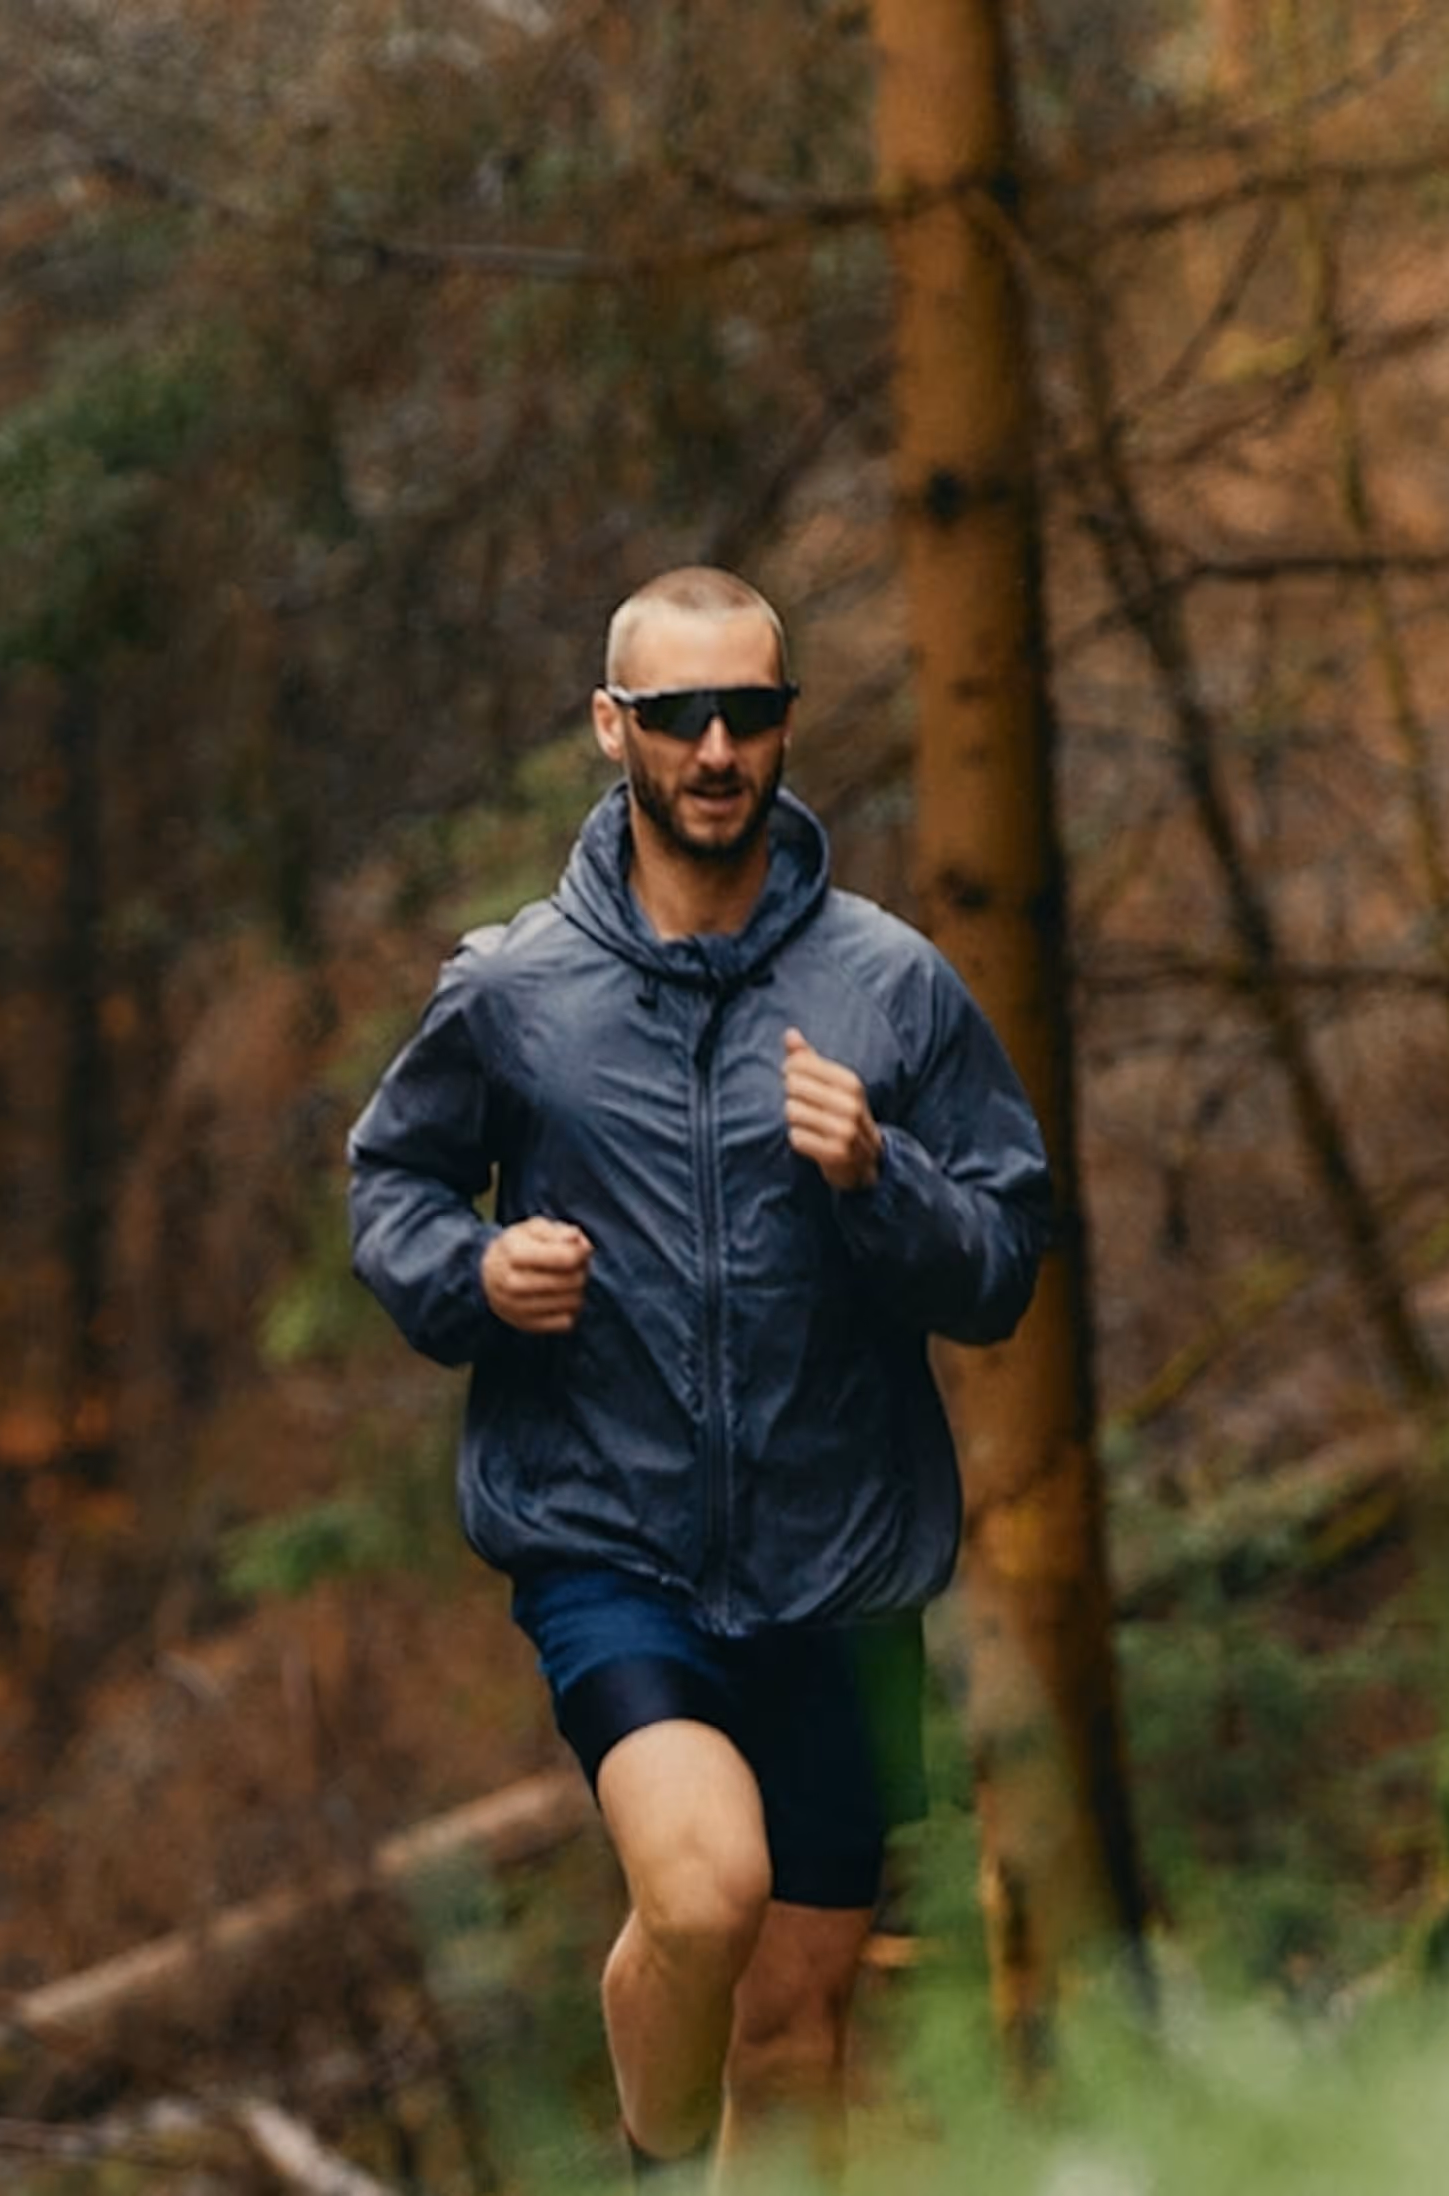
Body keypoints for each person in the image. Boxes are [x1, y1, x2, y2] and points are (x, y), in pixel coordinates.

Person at [344, 568, 1048, 2185]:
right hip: (614, 1543)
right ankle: (657, 2169)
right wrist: (473, 1272)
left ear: (788, 725)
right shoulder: (518, 993)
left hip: (845, 1563)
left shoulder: (891, 986)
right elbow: (391, 1186)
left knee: (798, 2033)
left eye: (750, 713)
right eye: (678, 717)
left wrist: (885, 1177)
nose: (718, 747)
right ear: (615, 730)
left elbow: (1007, 1255)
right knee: (707, 1889)